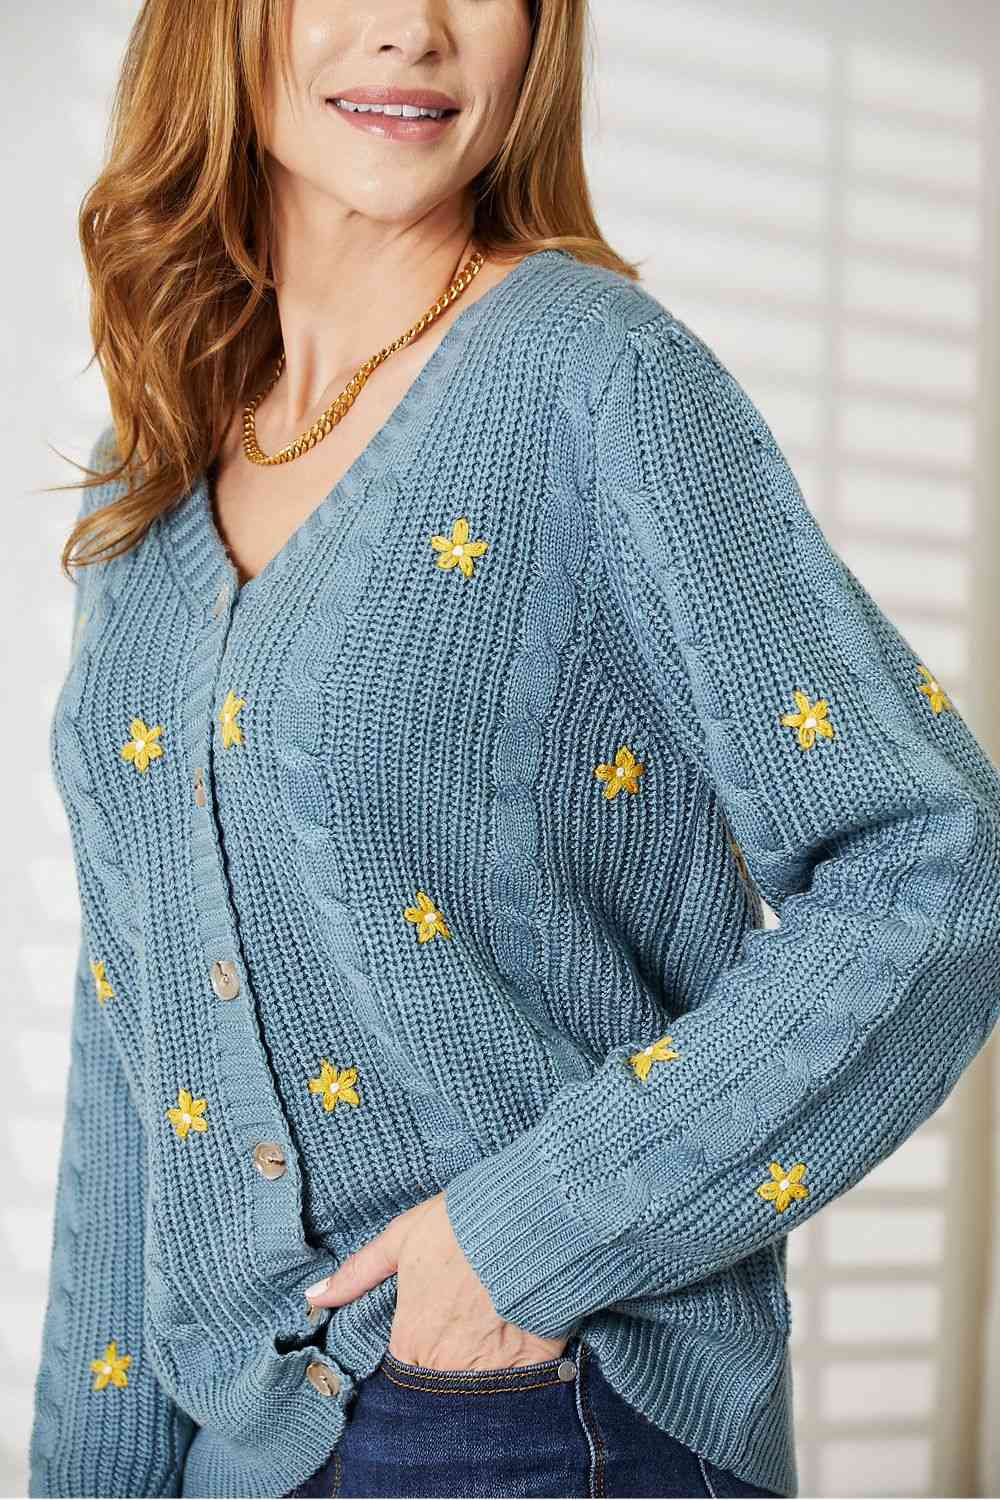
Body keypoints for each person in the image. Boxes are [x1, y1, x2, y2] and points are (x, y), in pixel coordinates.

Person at [28, 1, 1000, 1497]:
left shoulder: (595, 376)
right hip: (234, 1439)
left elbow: (941, 864)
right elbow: (133, 1040)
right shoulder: (145, 469)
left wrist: (520, 1244)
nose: (412, 31)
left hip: (528, 1412)